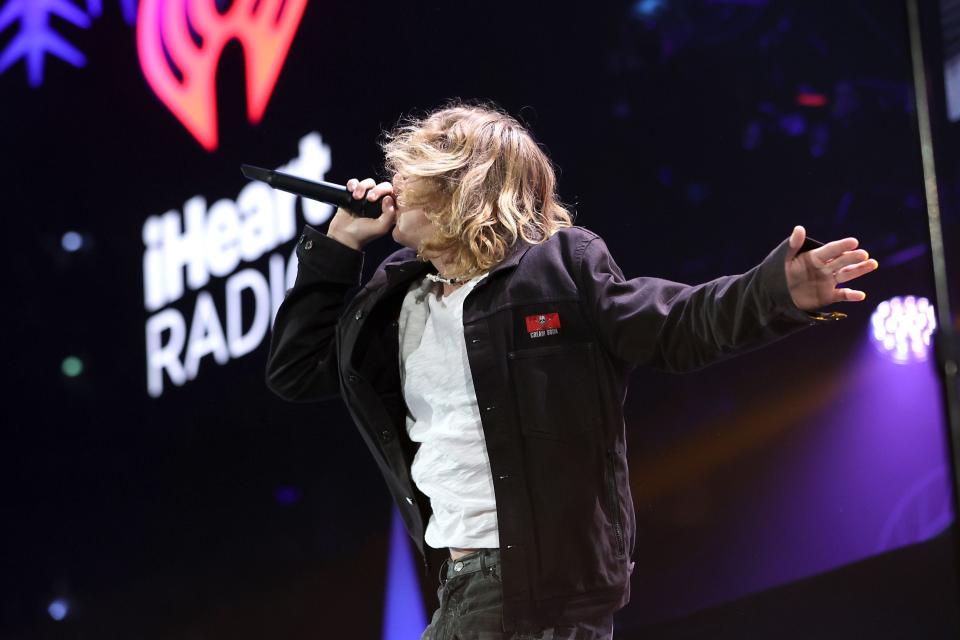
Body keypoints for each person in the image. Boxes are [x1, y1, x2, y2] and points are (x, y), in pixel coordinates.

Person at [265, 101, 878, 639]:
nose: (393, 181)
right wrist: (337, 248)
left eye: (412, 168)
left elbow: (680, 323)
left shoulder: (560, 268)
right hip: (461, 584)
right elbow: (295, 371)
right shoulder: (397, 297)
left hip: (541, 585)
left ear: (464, 184)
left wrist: (776, 293)